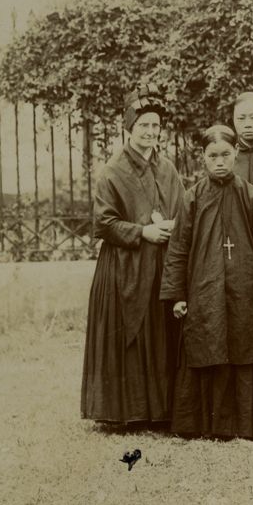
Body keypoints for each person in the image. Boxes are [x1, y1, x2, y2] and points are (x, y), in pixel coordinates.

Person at [160, 125, 253, 440]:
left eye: (225, 155)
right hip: (204, 290)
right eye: (212, 156)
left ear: (235, 154)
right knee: (207, 345)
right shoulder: (193, 197)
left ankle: (244, 425)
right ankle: (205, 424)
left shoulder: (251, 195)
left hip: (244, 290)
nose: (219, 162)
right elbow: (178, 248)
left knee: (243, 349)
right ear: (203, 158)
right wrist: (177, 295)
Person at [81, 83, 185, 427]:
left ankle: (161, 411)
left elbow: (182, 208)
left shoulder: (167, 168)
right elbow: (103, 223)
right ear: (129, 126)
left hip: (162, 263)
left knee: (161, 333)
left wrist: (172, 224)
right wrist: (142, 232)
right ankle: (127, 412)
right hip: (126, 265)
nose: (150, 132)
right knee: (131, 335)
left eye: (155, 126)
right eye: (143, 125)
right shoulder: (113, 171)